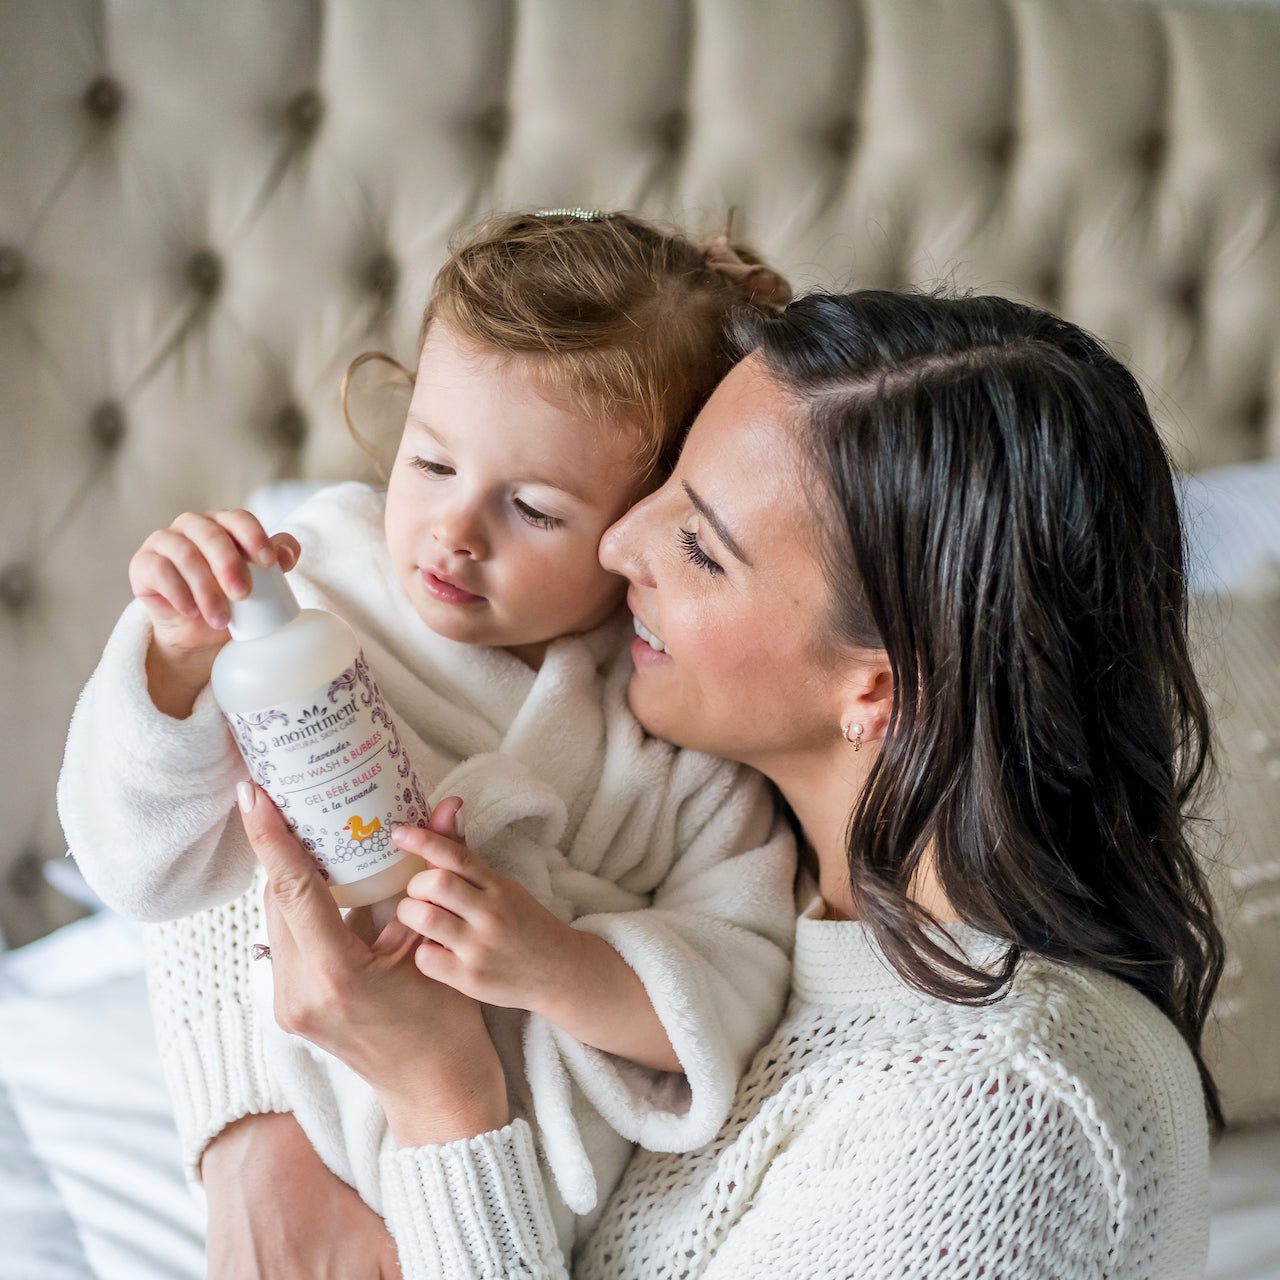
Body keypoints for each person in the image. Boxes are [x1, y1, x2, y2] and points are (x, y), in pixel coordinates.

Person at [218, 288, 1224, 1279]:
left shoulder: (999, 1117)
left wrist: (439, 1098)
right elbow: (282, 765)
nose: (616, 544)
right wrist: (253, 1133)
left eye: (699, 546)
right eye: (662, 483)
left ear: (875, 683)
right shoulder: (755, 876)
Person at [56, 212, 799, 1256]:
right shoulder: (311, 585)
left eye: (533, 509)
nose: (455, 530)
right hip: (309, 1118)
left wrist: (561, 966)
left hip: (495, 1190)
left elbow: (740, 975)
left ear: (640, 526)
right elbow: (141, 865)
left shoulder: (673, 734)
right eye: (432, 463)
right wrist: (173, 668)